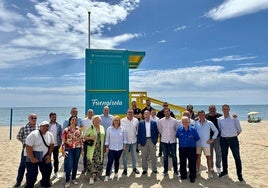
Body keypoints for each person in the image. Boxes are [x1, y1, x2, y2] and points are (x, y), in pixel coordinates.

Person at [24, 121, 55, 188]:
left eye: (47, 126)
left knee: (48, 171)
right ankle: (29, 186)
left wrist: (49, 155)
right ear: (40, 126)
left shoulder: (50, 134)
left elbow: (52, 145)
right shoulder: (33, 134)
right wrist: (32, 158)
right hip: (32, 155)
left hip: (44, 156)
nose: (45, 127)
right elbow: (28, 147)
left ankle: (44, 183)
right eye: (43, 126)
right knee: (32, 174)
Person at [218, 104, 243, 182]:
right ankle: (225, 171)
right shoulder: (219, 119)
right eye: (224, 109)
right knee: (224, 156)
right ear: (222, 110)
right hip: (223, 140)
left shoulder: (234, 118)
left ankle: (239, 174)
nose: (225, 110)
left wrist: (233, 135)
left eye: (227, 109)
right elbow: (220, 129)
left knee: (237, 157)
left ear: (229, 109)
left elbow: (239, 129)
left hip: (233, 140)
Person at [14, 113, 39, 187]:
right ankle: (18, 181)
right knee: (22, 166)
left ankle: (31, 181)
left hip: (36, 150)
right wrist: (24, 143)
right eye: (32, 118)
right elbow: (18, 137)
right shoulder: (24, 127)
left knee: (33, 166)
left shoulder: (38, 127)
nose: (34, 119)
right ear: (28, 119)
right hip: (26, 150)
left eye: (35, 118)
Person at [195, 110, 218, 179]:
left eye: (203, 115)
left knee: (208, 158)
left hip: (206, 144)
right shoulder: (196, 123)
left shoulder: (209, 123)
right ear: (198, 115)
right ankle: (198, 171)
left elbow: (216, 131)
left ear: (205, 115)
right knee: (198, 157)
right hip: (198, 143)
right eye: (200, 115)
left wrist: (212, 139)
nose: (202, 116)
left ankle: (209, 171)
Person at [176, 116, 200, 183]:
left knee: (192, 163)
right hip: (182, 148)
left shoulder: (193, 129)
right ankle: (183, 175)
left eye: (186, 121)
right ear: (181, 122)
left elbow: (197, 138)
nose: (185, 123)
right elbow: (177, 136)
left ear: (189, 122)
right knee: (182, 162)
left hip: (191, 148)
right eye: (183, 122)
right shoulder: (179, 129)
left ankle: (192, 176)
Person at [62, 116, 83, 188]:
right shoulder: (66, 130)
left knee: (75, 164)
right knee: (69, 164)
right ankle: (67, 180)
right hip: (69, 149)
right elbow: (63, 141)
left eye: (75, 120)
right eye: (73, 119)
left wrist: (82, 149)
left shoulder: (79, 129)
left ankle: (73, 179)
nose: (74, 121)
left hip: (77, 149)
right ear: (70, 120)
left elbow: (81, 139)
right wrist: (63, 150)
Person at [158, 108, 180, 176]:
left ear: (170, 112)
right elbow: (160, 130)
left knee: (174, 156)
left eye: (168, 111)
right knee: (165, 157)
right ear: (164, 113)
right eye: (165, 112)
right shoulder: (160, 121)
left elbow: (177, 130)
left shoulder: (175, 121)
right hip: (164, 141)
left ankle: (176, 171)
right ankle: (165, 171)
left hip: (172, 141)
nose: (167, 113)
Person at [104, 116, 127, 182]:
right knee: (110, 162)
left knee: (117, 161)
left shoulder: (122, 129)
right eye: (115, 120)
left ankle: (116, 173)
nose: (116, 121)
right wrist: (107, 147)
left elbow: (124, 138)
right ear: (113, 121)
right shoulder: (109, 129)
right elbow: (107, 139)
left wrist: (124, 145)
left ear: (119, 121)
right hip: (111, 148)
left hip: (119, 148)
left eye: (117, 120)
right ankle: (107, 175)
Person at [85, 115, 105, 185]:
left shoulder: (102, 127)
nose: (97, 121)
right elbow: (84, 137)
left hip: (100, 149)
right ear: (93, 121)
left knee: (98, 163)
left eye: (98, 120)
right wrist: (90, 137)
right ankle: (91, 177)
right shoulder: (91, 127)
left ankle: (96, 176)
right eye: (95, 120)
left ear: (100, 121)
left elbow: (103, 137)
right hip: (92, 149)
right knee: (92, 163)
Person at [137, 110, 159, 175]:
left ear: (149, 115)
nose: (146, 115)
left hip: (152, 140)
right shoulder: (140, 123)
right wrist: (139, 142)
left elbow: (156, 132)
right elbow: (139, 133)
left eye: (148, 114)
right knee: (144, 156)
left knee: (153, 156)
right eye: (145, 114)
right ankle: (144, 169)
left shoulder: (154, 123)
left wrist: (155, 140)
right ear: (144, 115)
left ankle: (154, 169)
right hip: (144, 141)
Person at [121, 109, 140, 175]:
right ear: (127, 113)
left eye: (132, 112)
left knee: (134, 155)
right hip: (126, 142)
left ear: (133, 113)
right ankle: (125, 169)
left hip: (134, 141)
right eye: (129, 112)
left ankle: (134, 168)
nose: (130, 113)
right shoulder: (122, 120)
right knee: (125, 156)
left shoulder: (136, 120)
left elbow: (138, 130)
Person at [205, 105, 223, 174]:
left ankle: (218, 167)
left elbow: (226, 119)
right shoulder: (206, 116)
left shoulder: (220, 116)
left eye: (213, 109)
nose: (212, 110)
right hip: (208, 138)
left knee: (218, 153)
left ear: (215, 109)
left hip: (217, 138)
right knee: (210, 154)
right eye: (210, 109)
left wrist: (234, 117)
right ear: (208, 109)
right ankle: (211, 167)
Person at [48, 112, 63, 178]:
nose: (54, 118)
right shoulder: (47, 125)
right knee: (48, 159)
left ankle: (56, 172)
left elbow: (61, 135)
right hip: (48, 146)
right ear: (50, 117)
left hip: (56, 145)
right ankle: (48, 172)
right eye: (53, 117)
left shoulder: (59, 126)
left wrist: (60, 144)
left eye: (55, 117)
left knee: (56, 159)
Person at [81, 109, 94, 174]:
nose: (90, 113)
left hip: (93, 139)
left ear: (93, 113)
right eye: (89, 112)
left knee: (91, 154)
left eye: (91, 112)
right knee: (85, 154)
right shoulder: (83, 120)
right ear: (87, 113)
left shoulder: (94, 120)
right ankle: (85, 167)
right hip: (85, 139)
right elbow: (80, 128)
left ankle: (90, 167)